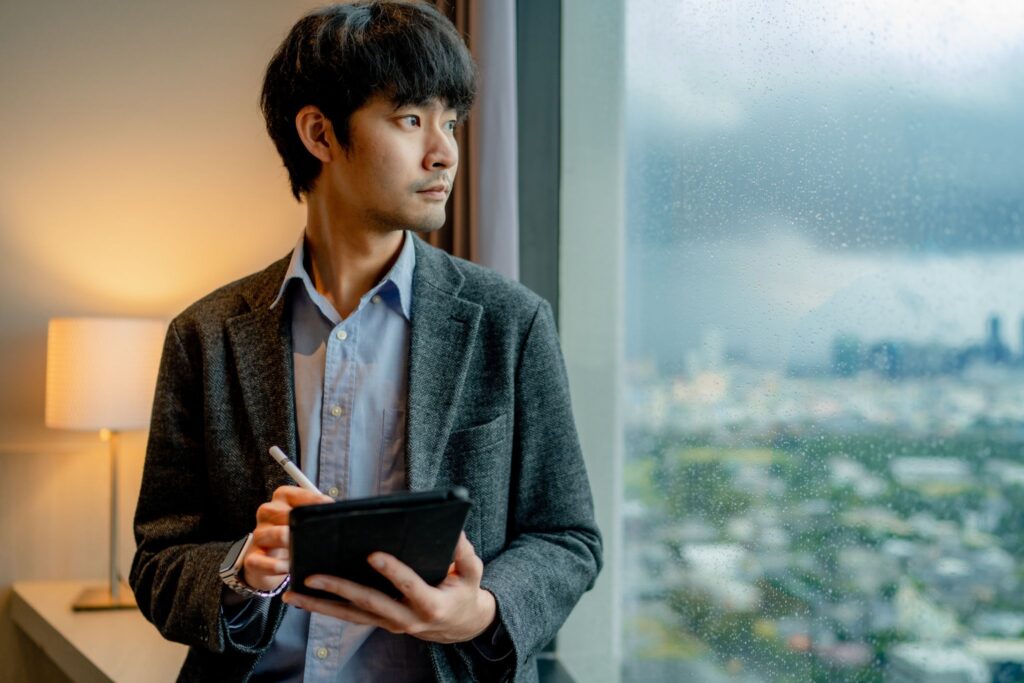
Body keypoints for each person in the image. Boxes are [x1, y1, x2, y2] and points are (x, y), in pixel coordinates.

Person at [130, 2, 602, 681]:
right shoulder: (204, 337)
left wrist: (482, 609)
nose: (444, 151)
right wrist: (244, 569)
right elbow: (159, 560)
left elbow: (568, 537)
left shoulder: (510, 322)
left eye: (452, 122)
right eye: (411, 119)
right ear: (320, 134)